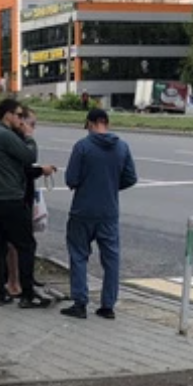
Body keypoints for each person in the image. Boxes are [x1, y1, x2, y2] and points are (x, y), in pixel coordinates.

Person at [61, 108, 138, 321]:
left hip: (82, 211)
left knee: (78, 255)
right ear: (107, 122)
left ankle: (80, 303)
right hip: (109, 212)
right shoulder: (122, 147)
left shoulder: (83, 147)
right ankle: (107, 306)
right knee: (111, 259)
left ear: (92, 123)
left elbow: (71, 180)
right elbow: (131, 177)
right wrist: (111, 185)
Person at [0, 98, 56, 308]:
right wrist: (28, 136)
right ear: (8, 115)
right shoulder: (4, 135)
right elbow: (29, 156)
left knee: (1, 245)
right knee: (26, 245)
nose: (22, 120)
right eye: (19, 115)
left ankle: (0, 292)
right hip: (10, 198)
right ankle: (27, 294)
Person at [5, 107, 40, 301]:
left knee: (19, 243)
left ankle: (22, 280)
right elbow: (27, 165)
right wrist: (41, 170)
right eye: (31, 124)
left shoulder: (13, 139)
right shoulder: (18, 141)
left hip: (21, 195)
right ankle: (16, 283)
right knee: (18, 244)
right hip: (16, 197)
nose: (33, 129)